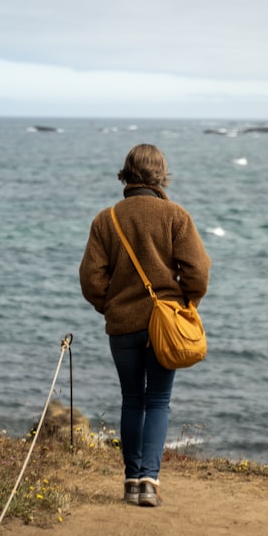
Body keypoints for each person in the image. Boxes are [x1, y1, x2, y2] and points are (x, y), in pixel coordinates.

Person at [79, 143, 211, 508]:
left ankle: (130, 480)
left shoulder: (107, 219)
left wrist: (109, 305)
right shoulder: (175, 216)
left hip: (122, 326)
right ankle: (149, 483)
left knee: (131, 400)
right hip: (164, 324)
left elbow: (91, 278)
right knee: (158, 401)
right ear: (160, 174)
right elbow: (198, 272)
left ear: (126, 172)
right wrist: (186, 304)